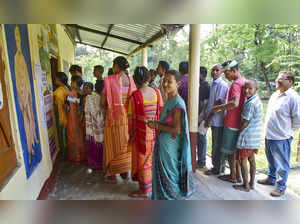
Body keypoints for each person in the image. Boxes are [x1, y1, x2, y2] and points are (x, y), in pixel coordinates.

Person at [148, 69, 194, 200]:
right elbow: (168, 123)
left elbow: (177, 129)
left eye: (170, 82)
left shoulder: (178, 103)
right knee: (162, 177)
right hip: (164, 145)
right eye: (164, 81)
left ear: (178, 84)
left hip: (170, 148)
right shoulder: (169, 100)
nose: (165, 84)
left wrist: (156, 125)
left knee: (170, 177)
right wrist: (157, 122)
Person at [257, 71, 300, 197]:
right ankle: (271, 178)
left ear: (290, 82)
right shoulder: (275, 94)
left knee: (282, 164)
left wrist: (287, 131)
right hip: (269, 134)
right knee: (271, 159)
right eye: (277, 78)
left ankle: (281, 187)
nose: (277, 80)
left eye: (281, 79)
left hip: (282, 137)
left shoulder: (293, 97)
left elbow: (297, 119)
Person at [128, 66, 163, 198]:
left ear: (135, 80)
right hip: (155, 132)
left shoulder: (135, 96)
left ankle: (143, 190)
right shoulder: (157, 92)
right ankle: (151, 185)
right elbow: (161, 110)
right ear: (149, 77)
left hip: (140, 134)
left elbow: (131, 118)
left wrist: (130, 134)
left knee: (142, 161)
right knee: (151, 160)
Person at [101, 56, 137, 183]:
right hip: (127, 118)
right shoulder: (131, 80)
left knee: (113, 144)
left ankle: (112, 175)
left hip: (113, 118)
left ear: (117, 66)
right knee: (125, 144)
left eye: (113, 64)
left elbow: (103, 101)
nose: (112, 67)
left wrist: (105, 108)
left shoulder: (109, 80)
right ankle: (125, 172)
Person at [211, 60, 246, 183]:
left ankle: (233, 176)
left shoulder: (236, 84)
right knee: (235, 151)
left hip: (232, 122)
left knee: (230, 151)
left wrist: (219, 107)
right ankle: (237, 175)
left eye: (226, 73)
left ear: (234, 71)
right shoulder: (243, 81)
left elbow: (235, 103)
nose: (225, 75)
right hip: (239, 121)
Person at [14, 25, 38, 165]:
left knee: (31, 121)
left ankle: (32, 146)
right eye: (16, 37)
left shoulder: (22, 57)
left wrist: (28, 95)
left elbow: (27, 80)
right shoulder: (16, 58)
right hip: (22, 97)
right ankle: (28, 151)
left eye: (19, 37)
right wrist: (22, 97)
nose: (18, 40)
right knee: (26, 122)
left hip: (27, 95)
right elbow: (18, 81)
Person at [233, 79, 263, 192]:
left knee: (243, 161)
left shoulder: (250, 103)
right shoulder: (257, 101)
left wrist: (239, 131)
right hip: (255, 138)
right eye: (245, 88)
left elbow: (245, 121)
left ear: (256, 89)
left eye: (250, 88)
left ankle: (245, 186)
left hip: (247, 138)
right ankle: (251, 183)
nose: (246, 90)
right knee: (252, 160)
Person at [204, 64, 228, 175]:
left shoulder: (222, 85)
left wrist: (209, 118)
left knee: (217, 144)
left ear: (222, 72)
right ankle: (218, 166)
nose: (214, 72)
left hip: (217, 120)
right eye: (212, 70)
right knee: (215, 143)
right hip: (213, 119)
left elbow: (218, 102)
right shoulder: (213, 84)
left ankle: (217, 168)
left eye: (217, 70)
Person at [66, 75, 87, 163]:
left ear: (75, 83)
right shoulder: (82, 93)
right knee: (80, 136)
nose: (70, 83)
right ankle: (81, 156)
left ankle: (76, 157)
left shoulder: (71, 94)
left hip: (74, 117)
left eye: (72, 82)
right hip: (80, 118)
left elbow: (67, 105)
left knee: (73, 136)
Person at [85, 83, 105, 171]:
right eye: (84, 88)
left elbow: (93, 110)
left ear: (90, 88)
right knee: (97, 142)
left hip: (95, 123)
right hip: (97, 122)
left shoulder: (91, 97)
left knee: (95, 142)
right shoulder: (94, 96)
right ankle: (97, 162)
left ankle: (96, 163)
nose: (85, 90)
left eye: (86, 88)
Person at [53, 72, 70, 159]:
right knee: (65, 134)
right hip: (66, 114)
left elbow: (60, 104)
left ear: (59, 80)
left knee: (62, 135)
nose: (55, 80)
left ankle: (64, 154)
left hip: (61, 114)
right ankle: (66, 152)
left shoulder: (60, 90)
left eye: (56, 78)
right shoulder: (66, 88)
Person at [197, 66, 210, 169]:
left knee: (201, 138)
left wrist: (197, 116)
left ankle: (201, 161)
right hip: (203, 115)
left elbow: (201, 104)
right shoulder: (204, 85)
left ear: (202, 75)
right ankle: (201, 160)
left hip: (202, 116)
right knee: (200, 138)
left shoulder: (204, 86)